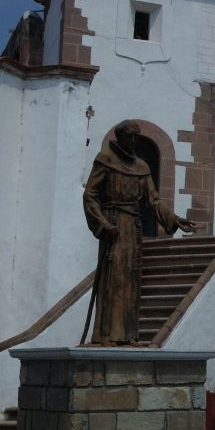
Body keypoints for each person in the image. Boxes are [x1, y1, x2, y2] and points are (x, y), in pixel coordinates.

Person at [82, 120, 193, 345]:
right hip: (113, 224)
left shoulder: (142, 167)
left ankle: (128, 334)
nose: (133, 140)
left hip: (133, 228)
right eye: (130, 136)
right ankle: (106, 335)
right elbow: (90, 195)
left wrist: (174, 219)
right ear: (120, 137)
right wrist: (102, 223)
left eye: (136, 136)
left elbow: (153, 200)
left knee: (132, 279)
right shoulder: (105, 160)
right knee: (112, 279)